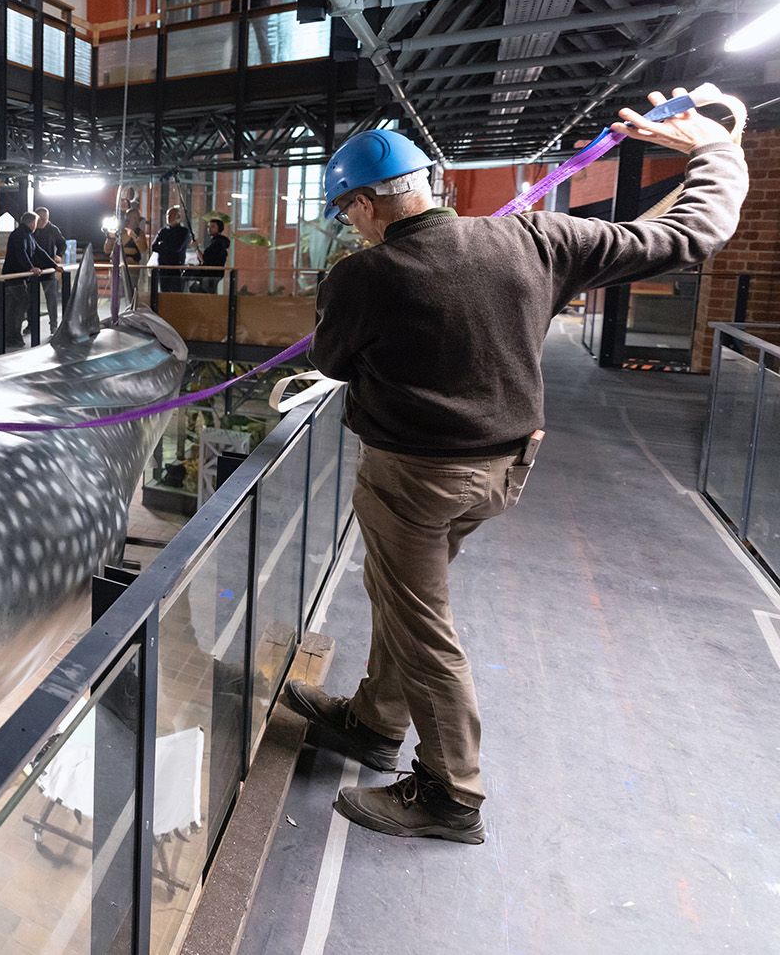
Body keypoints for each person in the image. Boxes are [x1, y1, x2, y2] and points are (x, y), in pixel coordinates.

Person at [289, 87, 746, 846]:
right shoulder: (538, 240)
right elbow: (685, 236)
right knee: (402, 596)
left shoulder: (363, 276)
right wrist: (719, 151)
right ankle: (374, 722)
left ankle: (450, 793)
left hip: (413, 479)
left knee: (421, 623)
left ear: (366, 203)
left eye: (347, 211)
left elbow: (333, 361)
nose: (350, 224)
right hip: (499, 470)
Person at [2, 210, 39, 348]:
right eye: (36, 222)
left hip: (18, 277)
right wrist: (31, 268)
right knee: (18, 305)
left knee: (14, 307)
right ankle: (12, 336)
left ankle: (11, 336)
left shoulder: (27, 235)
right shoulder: (19, 235)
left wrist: (54, 265)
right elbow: (20, 253)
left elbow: (39, 251)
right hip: (14, 277)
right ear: (32, 223)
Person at [32, 206, 66, 338]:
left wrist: (59, 255)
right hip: (33, 268)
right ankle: (31, 324)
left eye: (45, 219)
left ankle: (54, 325)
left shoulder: (53, 229)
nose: (43, 222)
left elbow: (62, 243)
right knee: (31, 299)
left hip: (49, 268)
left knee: (51, 298)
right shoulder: (32, 229)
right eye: (40, 219)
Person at [152, 206, 192, 293]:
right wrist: (167, 246)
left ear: (178, 217)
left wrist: (162, 245)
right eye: (167, 215)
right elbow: (154, 247)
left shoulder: (183, 231)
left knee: (176, 293)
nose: (168, 217)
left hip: (176, 268)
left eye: (171, 215)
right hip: (163, 268)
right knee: (164, 292)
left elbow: (177, 248)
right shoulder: (163, 231)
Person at [197, 216, 230, 293]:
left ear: (219, 228)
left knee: (207, 294)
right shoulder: (219, 242)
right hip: (214, 274)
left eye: (213, 226)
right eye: (208, 226)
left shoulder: (217, 243)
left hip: (210, 275)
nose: (209, 229)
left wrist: (196, 248)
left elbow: (204, 259)